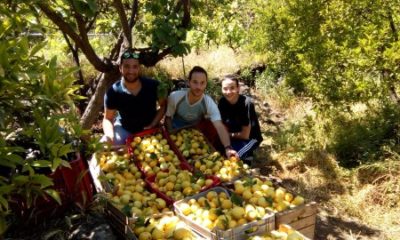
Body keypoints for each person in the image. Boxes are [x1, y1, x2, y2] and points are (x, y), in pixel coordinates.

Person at [165, 66, 238, 158]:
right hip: (176, 131)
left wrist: (228, 147)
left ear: (206, 84)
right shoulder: (175, 97)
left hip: (195, 133)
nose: (198, 87)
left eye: (202, 83)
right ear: (188, 82)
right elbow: (168, 118)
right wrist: (172, 136)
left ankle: (217, 152)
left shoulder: (208, 102)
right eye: (195, 82)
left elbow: (219, 126)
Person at [102, 50, 166, 145]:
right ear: (120, 68)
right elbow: (107, 118)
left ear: (139, 68)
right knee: (102, 147)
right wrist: (110, 136)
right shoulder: (113, 91)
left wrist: (153, 124)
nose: (131, 71)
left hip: (150, 129)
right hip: (125, 129)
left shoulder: (153, 86)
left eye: (135, 67)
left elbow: (164, 106)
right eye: (127, 66)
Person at [218, 74, 263, 162]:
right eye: (225, 88)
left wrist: (227, 135)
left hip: (250, 138)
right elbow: (221, 125)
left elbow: (245, 135)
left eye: (232, 88)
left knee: (232, 158)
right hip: (232, 136)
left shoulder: (246, 103)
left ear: (238, 88)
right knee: (216, 153)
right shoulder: (222, 102)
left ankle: (248, 156)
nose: (228, 92)